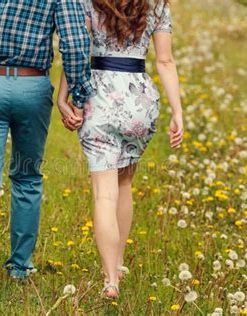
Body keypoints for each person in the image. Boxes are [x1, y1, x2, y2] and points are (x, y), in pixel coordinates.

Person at [0, 0, 91, 301]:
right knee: (27, 177)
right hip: (32, 87)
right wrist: (77, 94)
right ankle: (20, 266)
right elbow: (75, 42)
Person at [58, 0, 184, 299]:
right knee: (125, 182)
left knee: (104, 193)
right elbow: (165, 61)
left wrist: (64, 98)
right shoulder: (156, 6)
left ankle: (110, 279)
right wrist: (178, 111)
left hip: (99, 98)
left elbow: (78, 53)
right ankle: (118, 262)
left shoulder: (88, 3)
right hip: (137, 101)